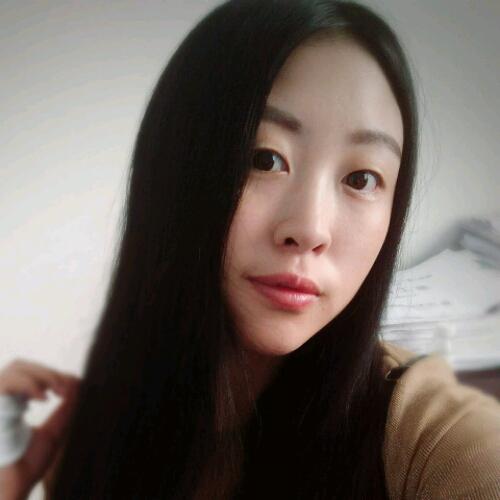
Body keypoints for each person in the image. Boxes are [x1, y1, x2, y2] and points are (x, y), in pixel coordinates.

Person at [0, 0, 499, 498]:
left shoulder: (432, 439)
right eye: (265, 159)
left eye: (361, 178)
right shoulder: (90, 428)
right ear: (175, 171)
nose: (310, 229)